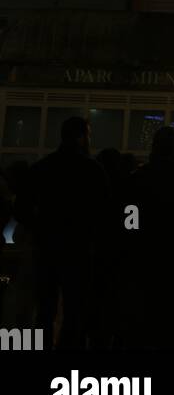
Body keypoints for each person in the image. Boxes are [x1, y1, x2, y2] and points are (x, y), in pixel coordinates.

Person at [14, 116, 110, 349]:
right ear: (81, 137)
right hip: (78, 248)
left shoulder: (43, 167)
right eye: (87, 134)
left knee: (45, 309)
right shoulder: (92, 169)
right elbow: (106, 210)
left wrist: (39, 228)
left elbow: (21, 207)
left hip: (47, 247)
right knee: (75, 309)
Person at [116, 126, 174, 349]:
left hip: (142, 264)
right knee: (167, 332)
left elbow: (129, 224)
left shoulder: (137, 180)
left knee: (141, 329)